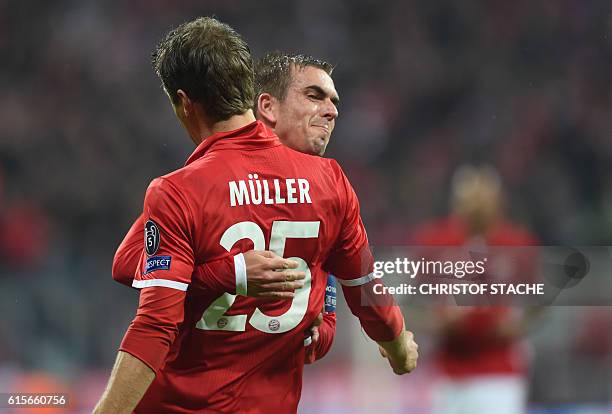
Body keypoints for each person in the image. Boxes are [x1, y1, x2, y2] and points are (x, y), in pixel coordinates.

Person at [93, 17, 417, 414]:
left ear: (184, 102)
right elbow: (365, 283)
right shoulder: (330, 182)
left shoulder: (181, 189)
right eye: (315, 97)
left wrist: (321, 312)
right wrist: (398, 344)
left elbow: (148, 309)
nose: (330, 112)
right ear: (254, 96)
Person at [111, 52, 348, 364]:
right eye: (313, 96)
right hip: (197, 376)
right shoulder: (211, 178)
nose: (331, 112)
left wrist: (323, 330)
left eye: (333, 102)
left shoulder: (326, 187)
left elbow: (332, 274)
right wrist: (229, 273)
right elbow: (128, 263)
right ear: (267, 108)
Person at [410, 165, 539, 414]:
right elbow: (411, 302)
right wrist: (436, 322)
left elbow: (541, 300)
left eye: (483, 199)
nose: (476, 207)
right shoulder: (434, 241)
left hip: (499, 370)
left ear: (498, 200)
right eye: (470, 199)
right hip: (449, 370)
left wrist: (517, 325)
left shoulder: (517, 242)